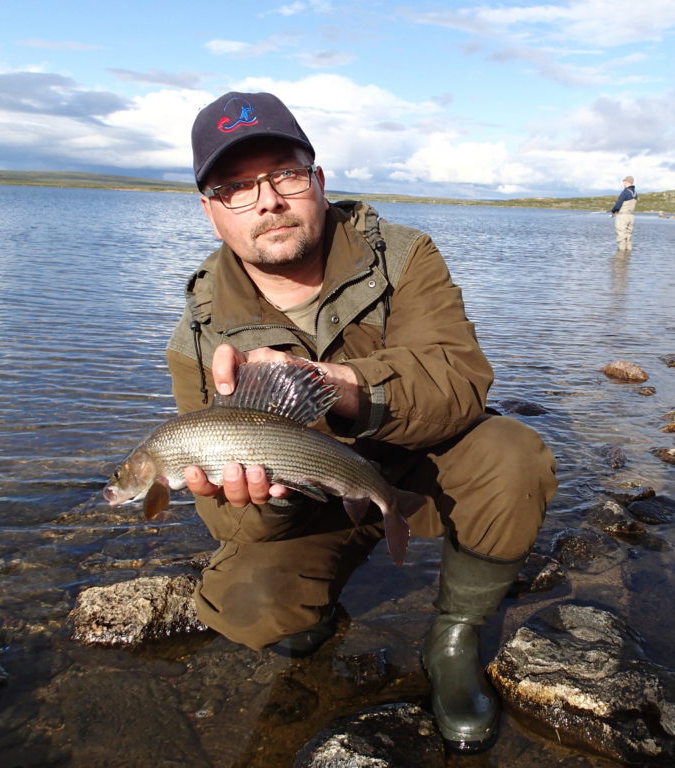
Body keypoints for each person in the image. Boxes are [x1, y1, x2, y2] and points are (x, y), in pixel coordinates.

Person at [166, 91, 558, 754]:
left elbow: (459, 378)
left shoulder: (403, 256)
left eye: (284, 174)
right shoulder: (199, 335)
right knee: (252, 606)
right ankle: (317, 608)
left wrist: (341, 384)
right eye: (235, 187)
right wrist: (252, 499)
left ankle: (454, 637)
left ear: (316, 183)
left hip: (422, 463)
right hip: (313, 497)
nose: (267, 200)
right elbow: (230, 525)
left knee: (514, 456)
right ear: (211, 213)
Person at [610, 175, 637, 250]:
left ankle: (621, 258)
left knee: (621, 237)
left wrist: (613, 211)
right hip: (631, 217)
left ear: (627, 182)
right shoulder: (635, 193)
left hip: (623, 217)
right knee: (628, 237)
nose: (623, 183)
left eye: (624, 181)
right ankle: (627, 256)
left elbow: (618, 204)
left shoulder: (625, 192)